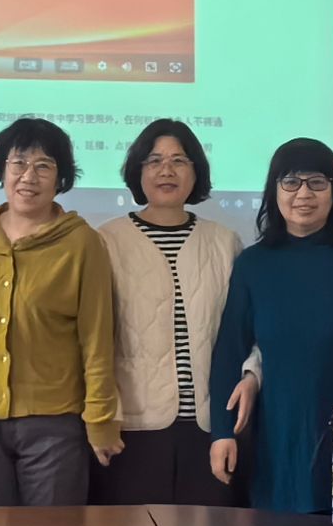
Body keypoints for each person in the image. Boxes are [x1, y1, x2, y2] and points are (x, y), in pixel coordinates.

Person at [209, 139, 333, 515]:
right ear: (274, 191)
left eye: (317, 182)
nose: (303, 194)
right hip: (278, 435)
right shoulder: (253, 264)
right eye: (291, 182)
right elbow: (229, 352)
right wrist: (221, 432)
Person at [0, 116, 121, 506]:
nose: (28, 176)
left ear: (60, 177)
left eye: (43, 166)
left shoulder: (82, 243)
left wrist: (100, 419)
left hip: (55, 424)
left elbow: (97, 339)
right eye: (18, 163)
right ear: (1, 170)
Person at [95, 119, 257, 506]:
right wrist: (102, 416)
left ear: (196, 172)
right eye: (154, 161)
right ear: (138, 171)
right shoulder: (106, 240)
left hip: (211, 426)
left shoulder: (224, 242)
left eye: (179, 160)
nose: (166, 170)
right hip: (131, 427)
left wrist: (253, 374)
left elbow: (250, 329)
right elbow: (94, 337)